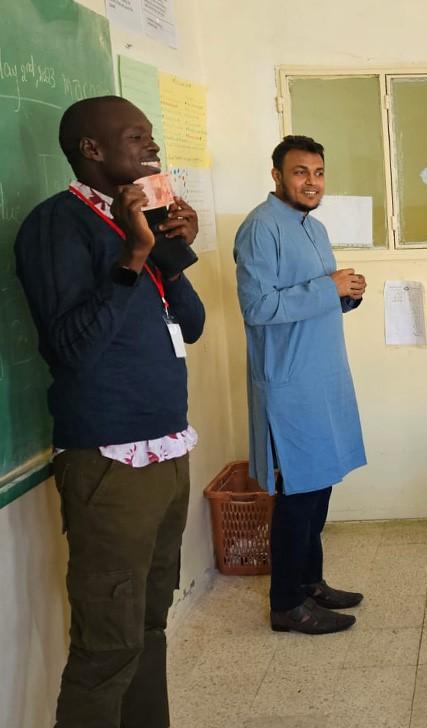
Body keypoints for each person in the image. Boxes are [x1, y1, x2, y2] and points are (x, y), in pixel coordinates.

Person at [14, 95, 205, 728]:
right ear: (91, 151)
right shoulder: (56, 225)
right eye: (136, 137)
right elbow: (72, 349)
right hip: (109, 461)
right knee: (108, 644)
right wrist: (133, 253)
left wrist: (169, 252)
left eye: (152, 136)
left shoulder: (138, 220)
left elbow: (195, 326)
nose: (152, 149)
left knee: (149, 624)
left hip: (166, 449)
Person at [234, 135, 367, 635]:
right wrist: (326, 288)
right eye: (300, 172)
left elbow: (317, 297)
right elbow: (258, 308)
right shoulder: (260, 229)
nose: (311, 182)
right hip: (288, 383)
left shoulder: (314, 226)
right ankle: (286, 604)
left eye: (318, 173)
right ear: (276, 176)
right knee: (298, 495)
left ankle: (311, 582)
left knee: (320, 485)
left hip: (323, 377)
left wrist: (347, 295)